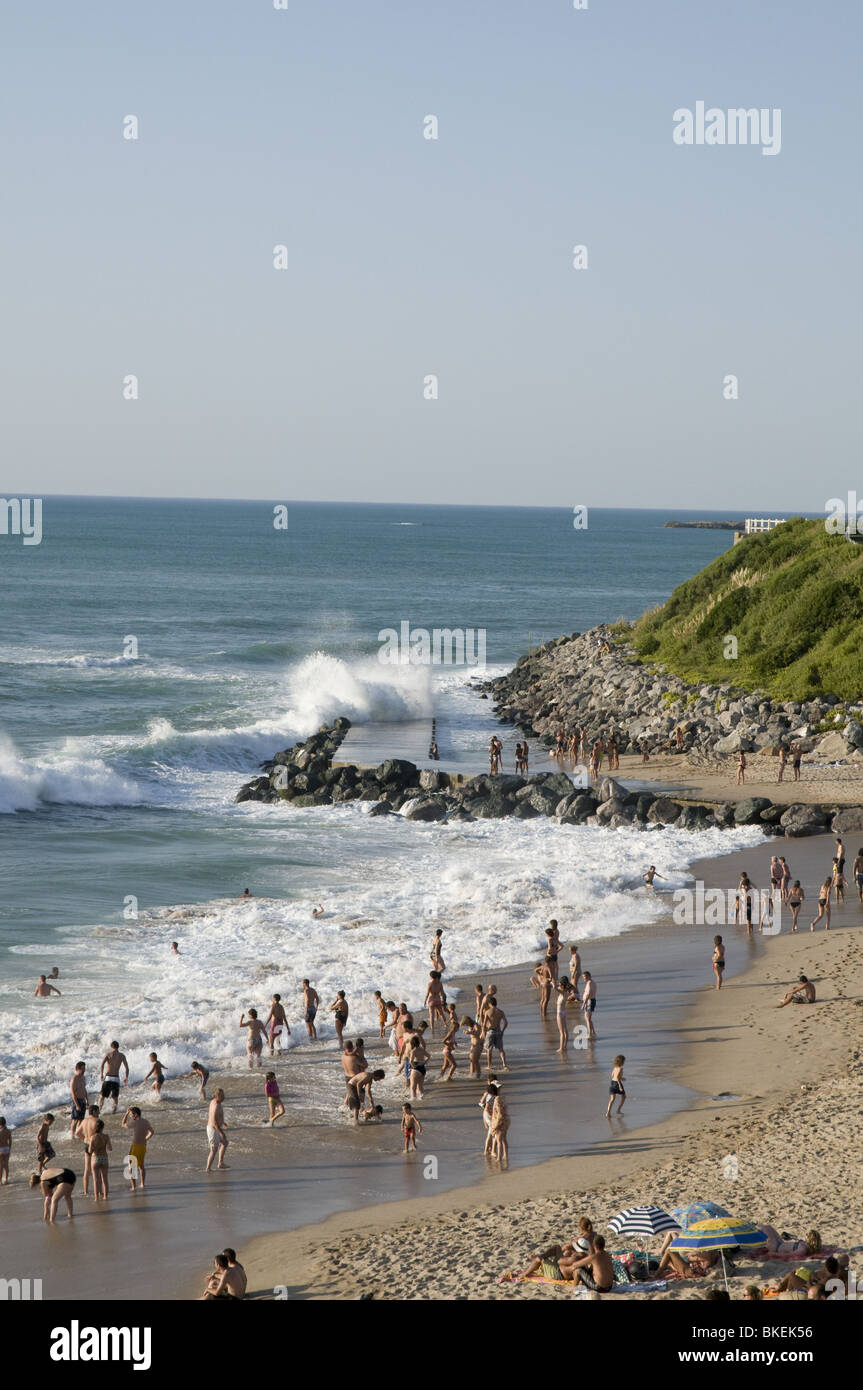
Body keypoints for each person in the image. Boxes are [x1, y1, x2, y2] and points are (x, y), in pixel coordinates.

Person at [122, 1106, 154, 1191]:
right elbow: (152, 1132)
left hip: (135, 1146)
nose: (130, 1116)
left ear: (135, 1114)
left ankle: (133, 1187)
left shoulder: (134, 1122)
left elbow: (123, 1124)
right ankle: (142, 1184)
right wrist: (146, 1138)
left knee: (131, 1168)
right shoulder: (145, 1121)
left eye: (131, 1114)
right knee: (141, 1166)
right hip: (143, 1146)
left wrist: (126, 1114)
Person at [75, 1104, 101, 1196]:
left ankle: (86, 1191)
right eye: (98, 1111)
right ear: (94, 1111)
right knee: (97, 1169)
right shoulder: (97, 1121)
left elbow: (77, 1133)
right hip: (95, 1146)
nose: (99, 1112)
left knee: (87, 1169)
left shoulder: (84, 1121)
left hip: (86, 1144)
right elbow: (99, 1135)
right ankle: (98, 1191)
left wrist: (85, 1138)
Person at [99, 1041, 129, 1113]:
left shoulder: (108, 1054)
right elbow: (127, 1068)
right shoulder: (122, 1056)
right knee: (115, 1097)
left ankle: (99, 1111)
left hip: (108, 1077)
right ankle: (114, 1111)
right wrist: (126, 1077)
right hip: (116, 1078)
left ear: (111, 1047)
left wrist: (101, 1075)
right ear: (118, 1047)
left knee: (102, 1096)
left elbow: (102, 1065)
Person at [206, 1089, 229, 1171]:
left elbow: (218, 1117)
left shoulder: (216, 1102)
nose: (223, 1097)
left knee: (225, 1143)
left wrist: (222, 1122)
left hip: (216, 1127)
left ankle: (220, 1163)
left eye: (223, 1095)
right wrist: (222, 1132)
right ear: (216, 1096)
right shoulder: (215, 1105)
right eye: (221, 1096)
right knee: (213, 1149)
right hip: (213, 1129)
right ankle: (208, 1168)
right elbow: (214, 1122)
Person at [484, 997, 509, 1070]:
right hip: (498, 1031)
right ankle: (504, 1064)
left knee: (489, 1049)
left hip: (490, 1031)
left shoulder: (487, 1012)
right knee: (501, 1049)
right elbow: (506, 1023)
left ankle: (489, 1065)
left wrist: (483, 1032)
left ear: (489, 1004)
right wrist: (502, 1031)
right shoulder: (501, 1012)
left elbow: (484, 1024)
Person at [89, 1120, 112, 1201]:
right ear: (103, 1127)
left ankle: (96, 1198)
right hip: (104, 1158)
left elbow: (90, 1151)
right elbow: (110, 1148)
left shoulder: (92, 1137)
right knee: (104, 1179)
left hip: (95, 1158)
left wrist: (95, 1148)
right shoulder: (106, 1136)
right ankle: (105, 1196)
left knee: (96, 1180)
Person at [488, 1083, 510, 1161]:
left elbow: (500, 1113)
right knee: (504, 1139)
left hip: (500, 1121)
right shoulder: (502, 1097)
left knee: (499, 1140)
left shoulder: (496, 1100)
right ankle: (505, 1155)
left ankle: (499, 1157)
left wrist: (497, 1124)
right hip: (506, 1119)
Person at [69, 1061, 89, 1139]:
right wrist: (77, 1105)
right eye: (83, 1069)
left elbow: (84, 1090)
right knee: (75, 1120)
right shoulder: (74, 1079)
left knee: (81, 1119)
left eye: (84, 1068)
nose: (84, 1070)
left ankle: (78, 1133)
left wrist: (87, 1101)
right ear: (77, 1069)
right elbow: (73, 1094)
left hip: (83, 1100)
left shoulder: (83, 1078)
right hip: (76, 1101)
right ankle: (72, 1135)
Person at [555, 977, 575, 1053]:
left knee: (561, 1032)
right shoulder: (565, 992)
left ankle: (561, 1048)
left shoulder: (563, 993)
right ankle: (565, 1046)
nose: (558, 985)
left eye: (559, 984)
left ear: (562, 985)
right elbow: (557, 988)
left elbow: (555, 988)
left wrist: (553, 983)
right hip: (563, 1012)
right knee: (565, 1031)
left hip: (560, 1013)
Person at [581, 971, 596, 1039]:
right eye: (583, 977)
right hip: (592, 1000)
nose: (584, 978)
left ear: (589, 976)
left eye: (585, 977)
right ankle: (593, 1032)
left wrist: (584, 1003)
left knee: (587, 1019)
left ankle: (590, 1034)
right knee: (588, 1018)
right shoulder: (592, 982)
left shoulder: (589, 983)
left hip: (589, 1001)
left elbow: (588, 993)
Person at [0, 1118, 10, 1184]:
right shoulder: (8, 1131)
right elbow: (10, 1140)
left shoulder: (0, 1132)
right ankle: (6, 1180)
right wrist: (9, 1148)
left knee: (0, 1165)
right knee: (6, 1165)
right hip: (7, 1148)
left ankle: (0, 1181)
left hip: (1, 1149)